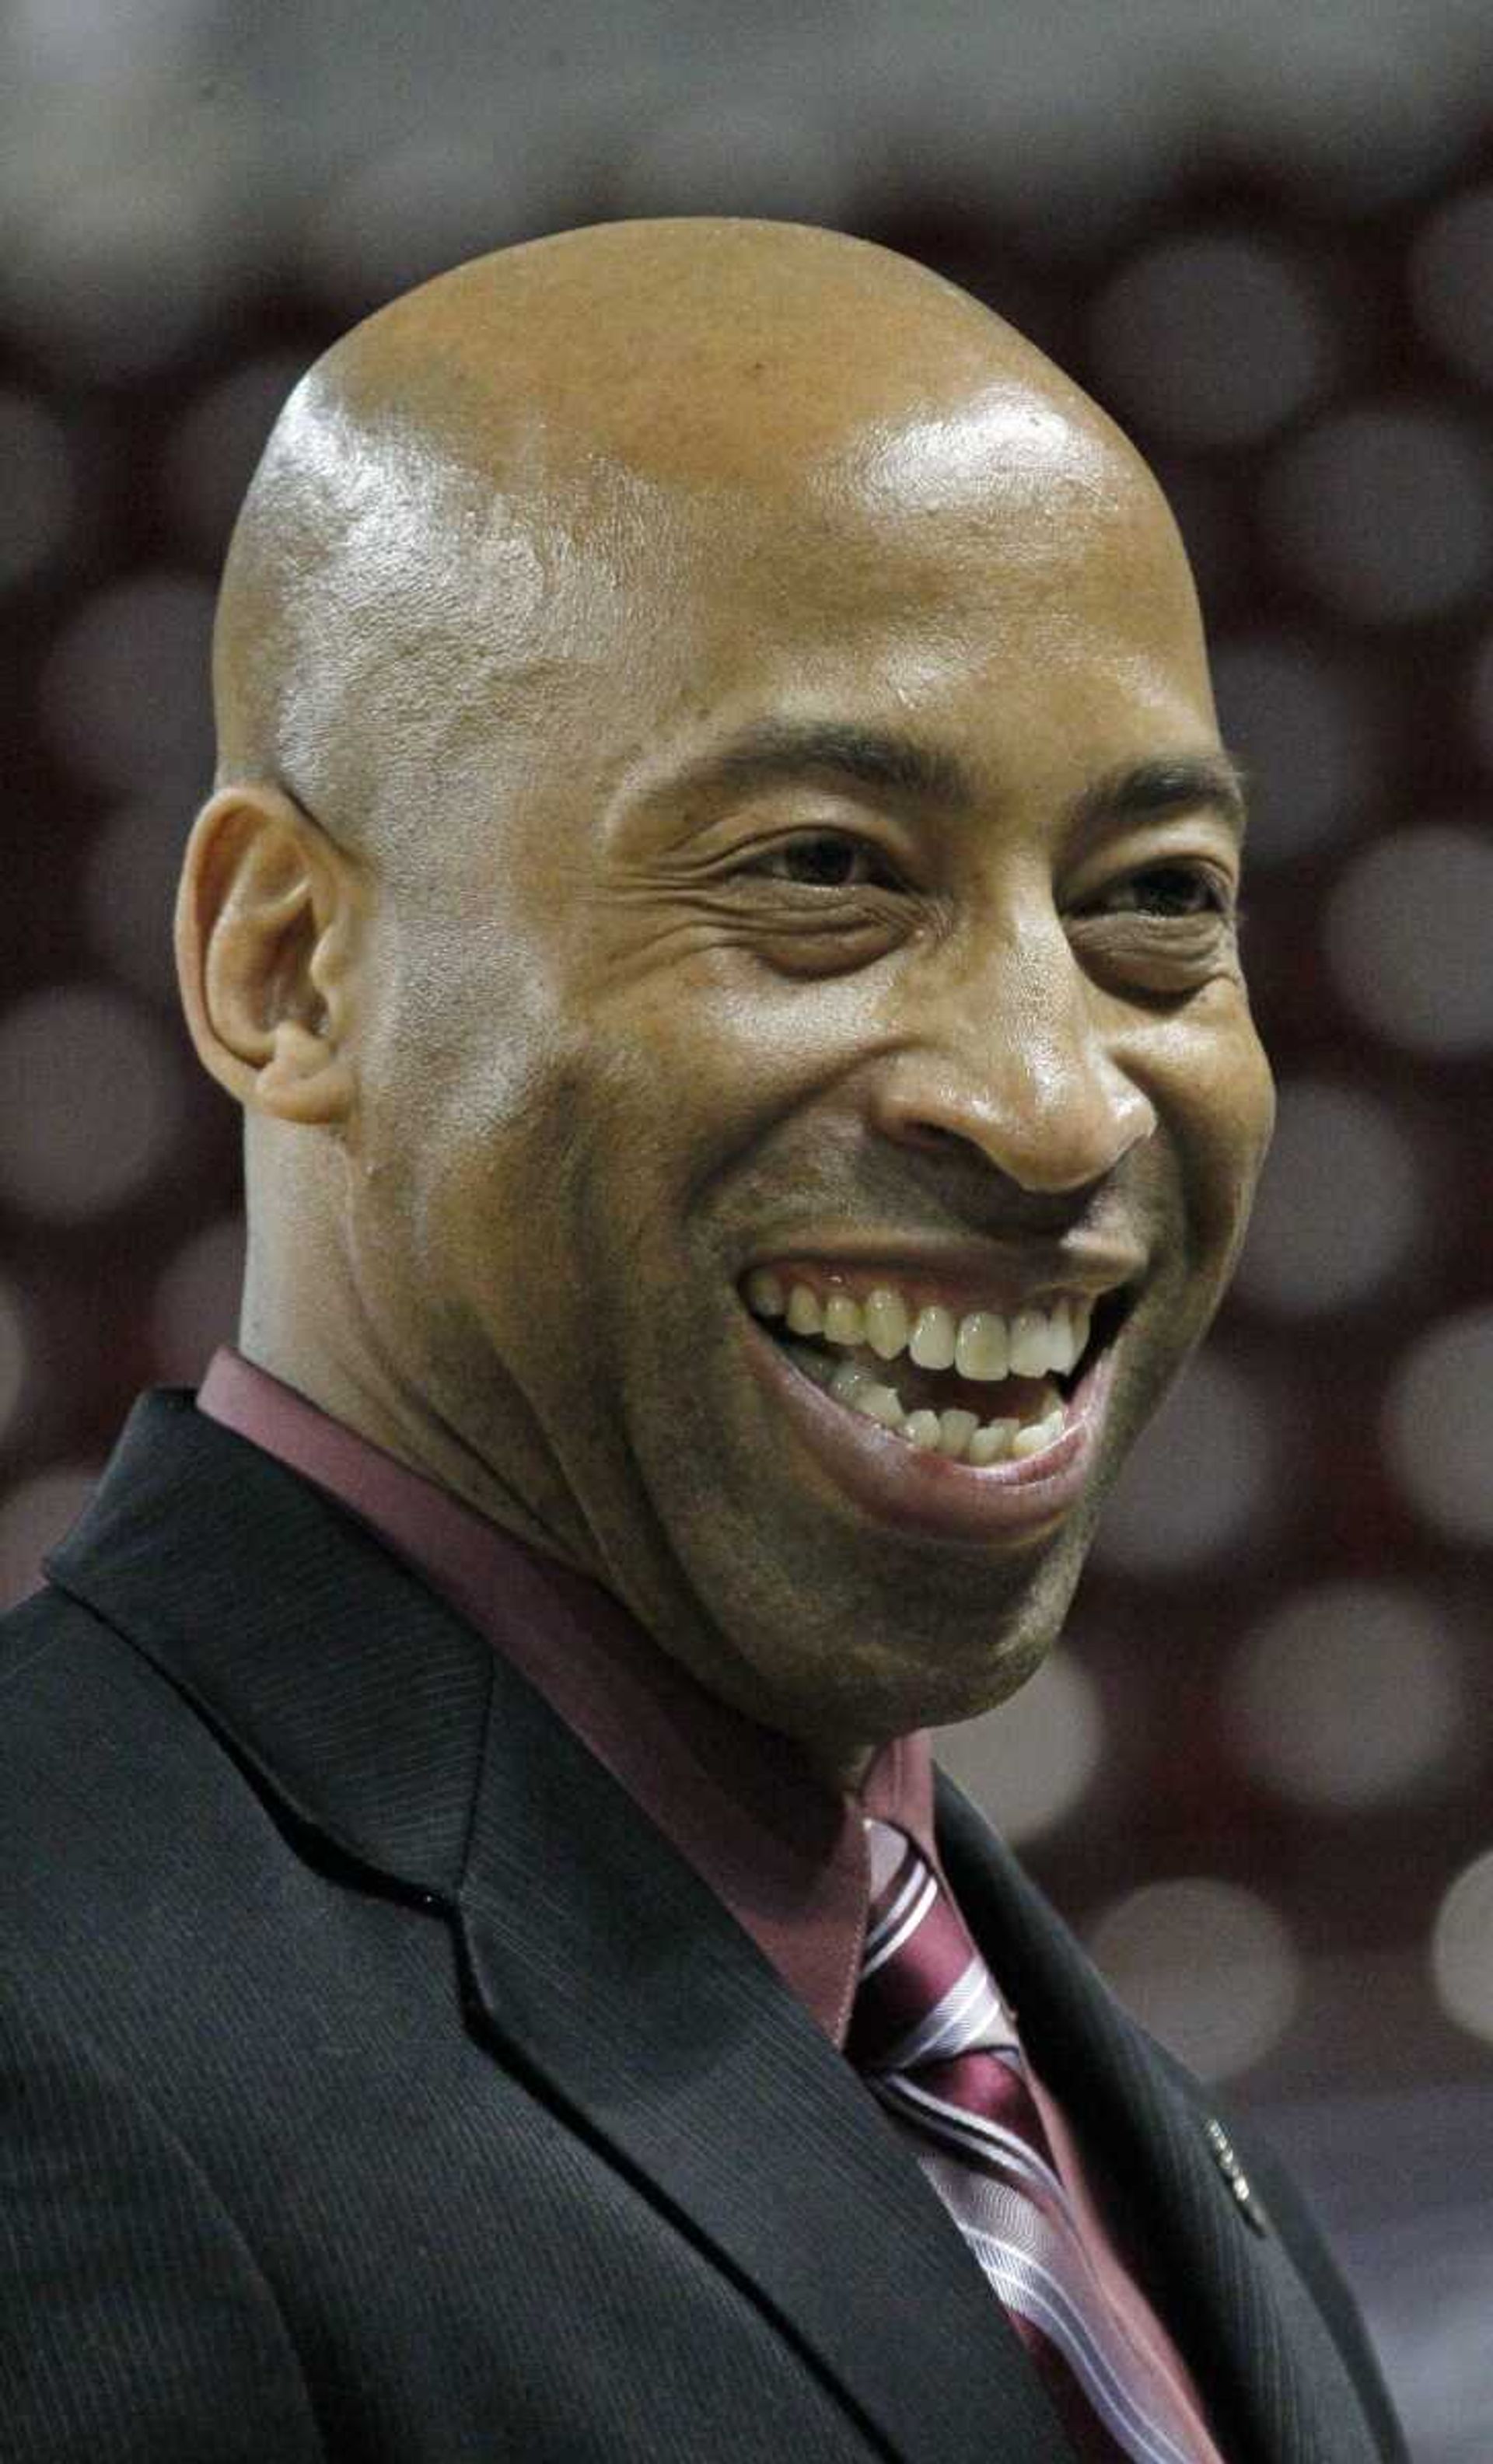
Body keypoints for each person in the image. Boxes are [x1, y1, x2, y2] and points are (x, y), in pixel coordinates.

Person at [1, 218, 1404, 2462]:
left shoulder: (1053, 2072)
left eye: (1155, 901)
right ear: (287, 967)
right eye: (827, 870)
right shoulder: (47, 2040)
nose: (1053, 1100)